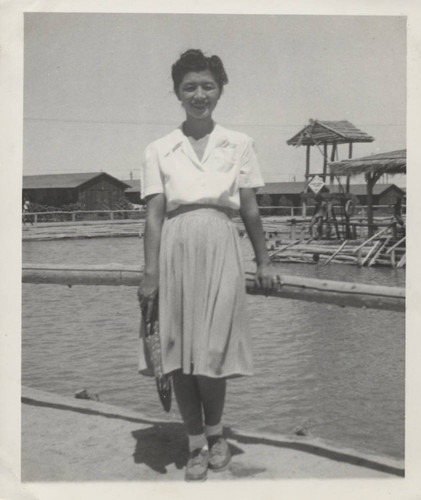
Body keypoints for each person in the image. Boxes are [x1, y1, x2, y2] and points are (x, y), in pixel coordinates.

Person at [137, 49, 277, 481]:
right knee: (178, 353)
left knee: (214, 349)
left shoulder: (239, 144)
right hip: (175, 248)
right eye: (189, 87)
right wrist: (150, 272)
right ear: (177, 93)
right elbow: (154, 217)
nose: (199, 95)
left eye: (207, 86)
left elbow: (250, 210)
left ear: (220, 90)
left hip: (221, 243)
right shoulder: (159, 149)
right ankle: (195, 442)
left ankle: (217, 436)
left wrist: (264, 260)